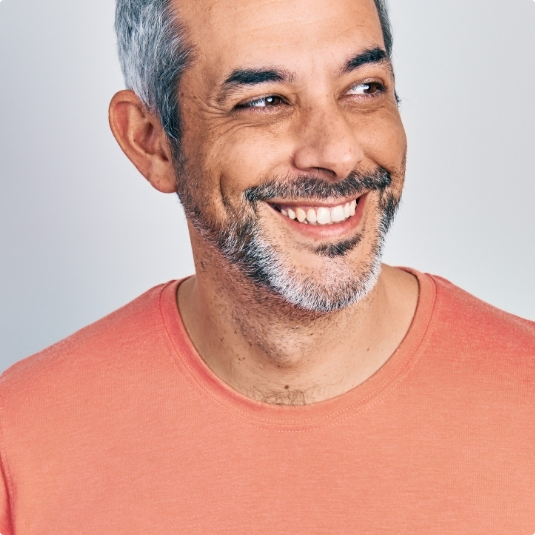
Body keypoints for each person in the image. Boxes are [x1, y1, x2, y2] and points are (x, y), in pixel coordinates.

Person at [0, 0, 533, 532]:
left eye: (365, 88)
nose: (340, 152)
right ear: (152, 142)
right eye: (265, 101)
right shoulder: (22, 441)